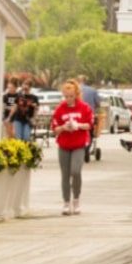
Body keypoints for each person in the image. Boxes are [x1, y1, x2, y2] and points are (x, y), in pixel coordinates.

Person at [51, 79, 94, 216]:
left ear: (76, 95)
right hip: (64, 144)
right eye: (66, 96)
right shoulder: (60, 109)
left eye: (71, 96)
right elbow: (55, 128)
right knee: (65, 174)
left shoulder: (84, 107)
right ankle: (66, 202)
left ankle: (76, 198)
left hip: (78, 144)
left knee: (75, 171)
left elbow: (89, 125)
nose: (68, 99)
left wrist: (78, 125)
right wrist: (63, 127)